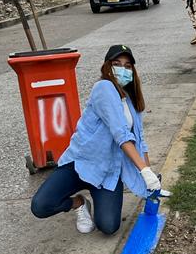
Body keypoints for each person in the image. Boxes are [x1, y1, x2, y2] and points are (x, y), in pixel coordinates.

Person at [30, 44, 161, 235]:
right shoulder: (104, 88)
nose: (122, 70)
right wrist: (143, 170)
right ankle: (78, 203)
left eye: (127, 66)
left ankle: (95, 199)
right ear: (107, 66)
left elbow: (140, 140)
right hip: (81, 164)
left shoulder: (131, 100)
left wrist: (149, 179)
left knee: (108, 226)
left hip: (108, 172)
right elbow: (121, 134)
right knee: (40, 206)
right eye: (117, 64)